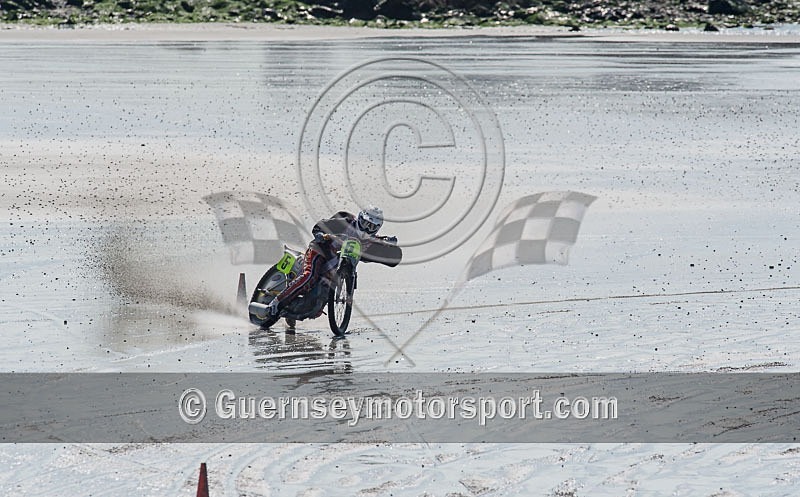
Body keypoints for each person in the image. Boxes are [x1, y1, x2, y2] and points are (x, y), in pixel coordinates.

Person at [266, 205, 396, 316]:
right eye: (366, 224)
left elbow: (392, 260)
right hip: (320, 251)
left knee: (318, 306)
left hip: (337, 264)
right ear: (360, 219)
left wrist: (390, 246)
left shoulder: (372, 240)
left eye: (372, 227)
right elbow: (319, 226)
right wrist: (320, 235)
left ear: (377, 229)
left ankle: (297, 308)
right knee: (309, 276)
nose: (367, 229)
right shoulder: (345, 223)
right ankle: (277, 302)